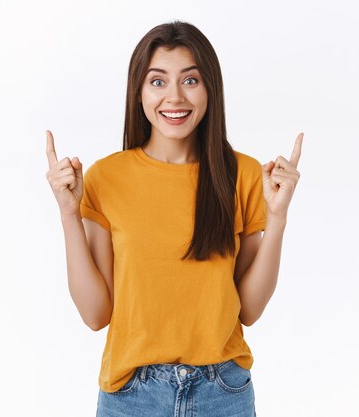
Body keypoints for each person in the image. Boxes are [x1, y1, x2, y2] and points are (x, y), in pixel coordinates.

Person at [45, 20, 303, 416]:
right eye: (158, 82)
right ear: (139, 92)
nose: (175, 97)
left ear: (210, 89)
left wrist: (278, 219)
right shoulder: (106, 178)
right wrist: (68, 215)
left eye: (191, 80)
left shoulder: (244, 175)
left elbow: (249, 310)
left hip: (223, 392)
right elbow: (95, 314)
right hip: (132, 396)